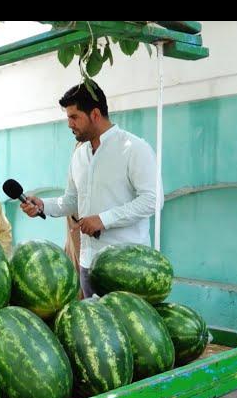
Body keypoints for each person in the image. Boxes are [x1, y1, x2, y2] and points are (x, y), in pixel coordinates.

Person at [20, 80, 163, 298]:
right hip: (88, 265)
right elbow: (72, 200)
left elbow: (153, 200)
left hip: (127, 268)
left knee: (125, 331)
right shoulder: (79, 155)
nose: (69, 124)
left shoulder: (134, 149)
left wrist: (103, 219)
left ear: (95, 114)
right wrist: (43, 206)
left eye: (74, 117)